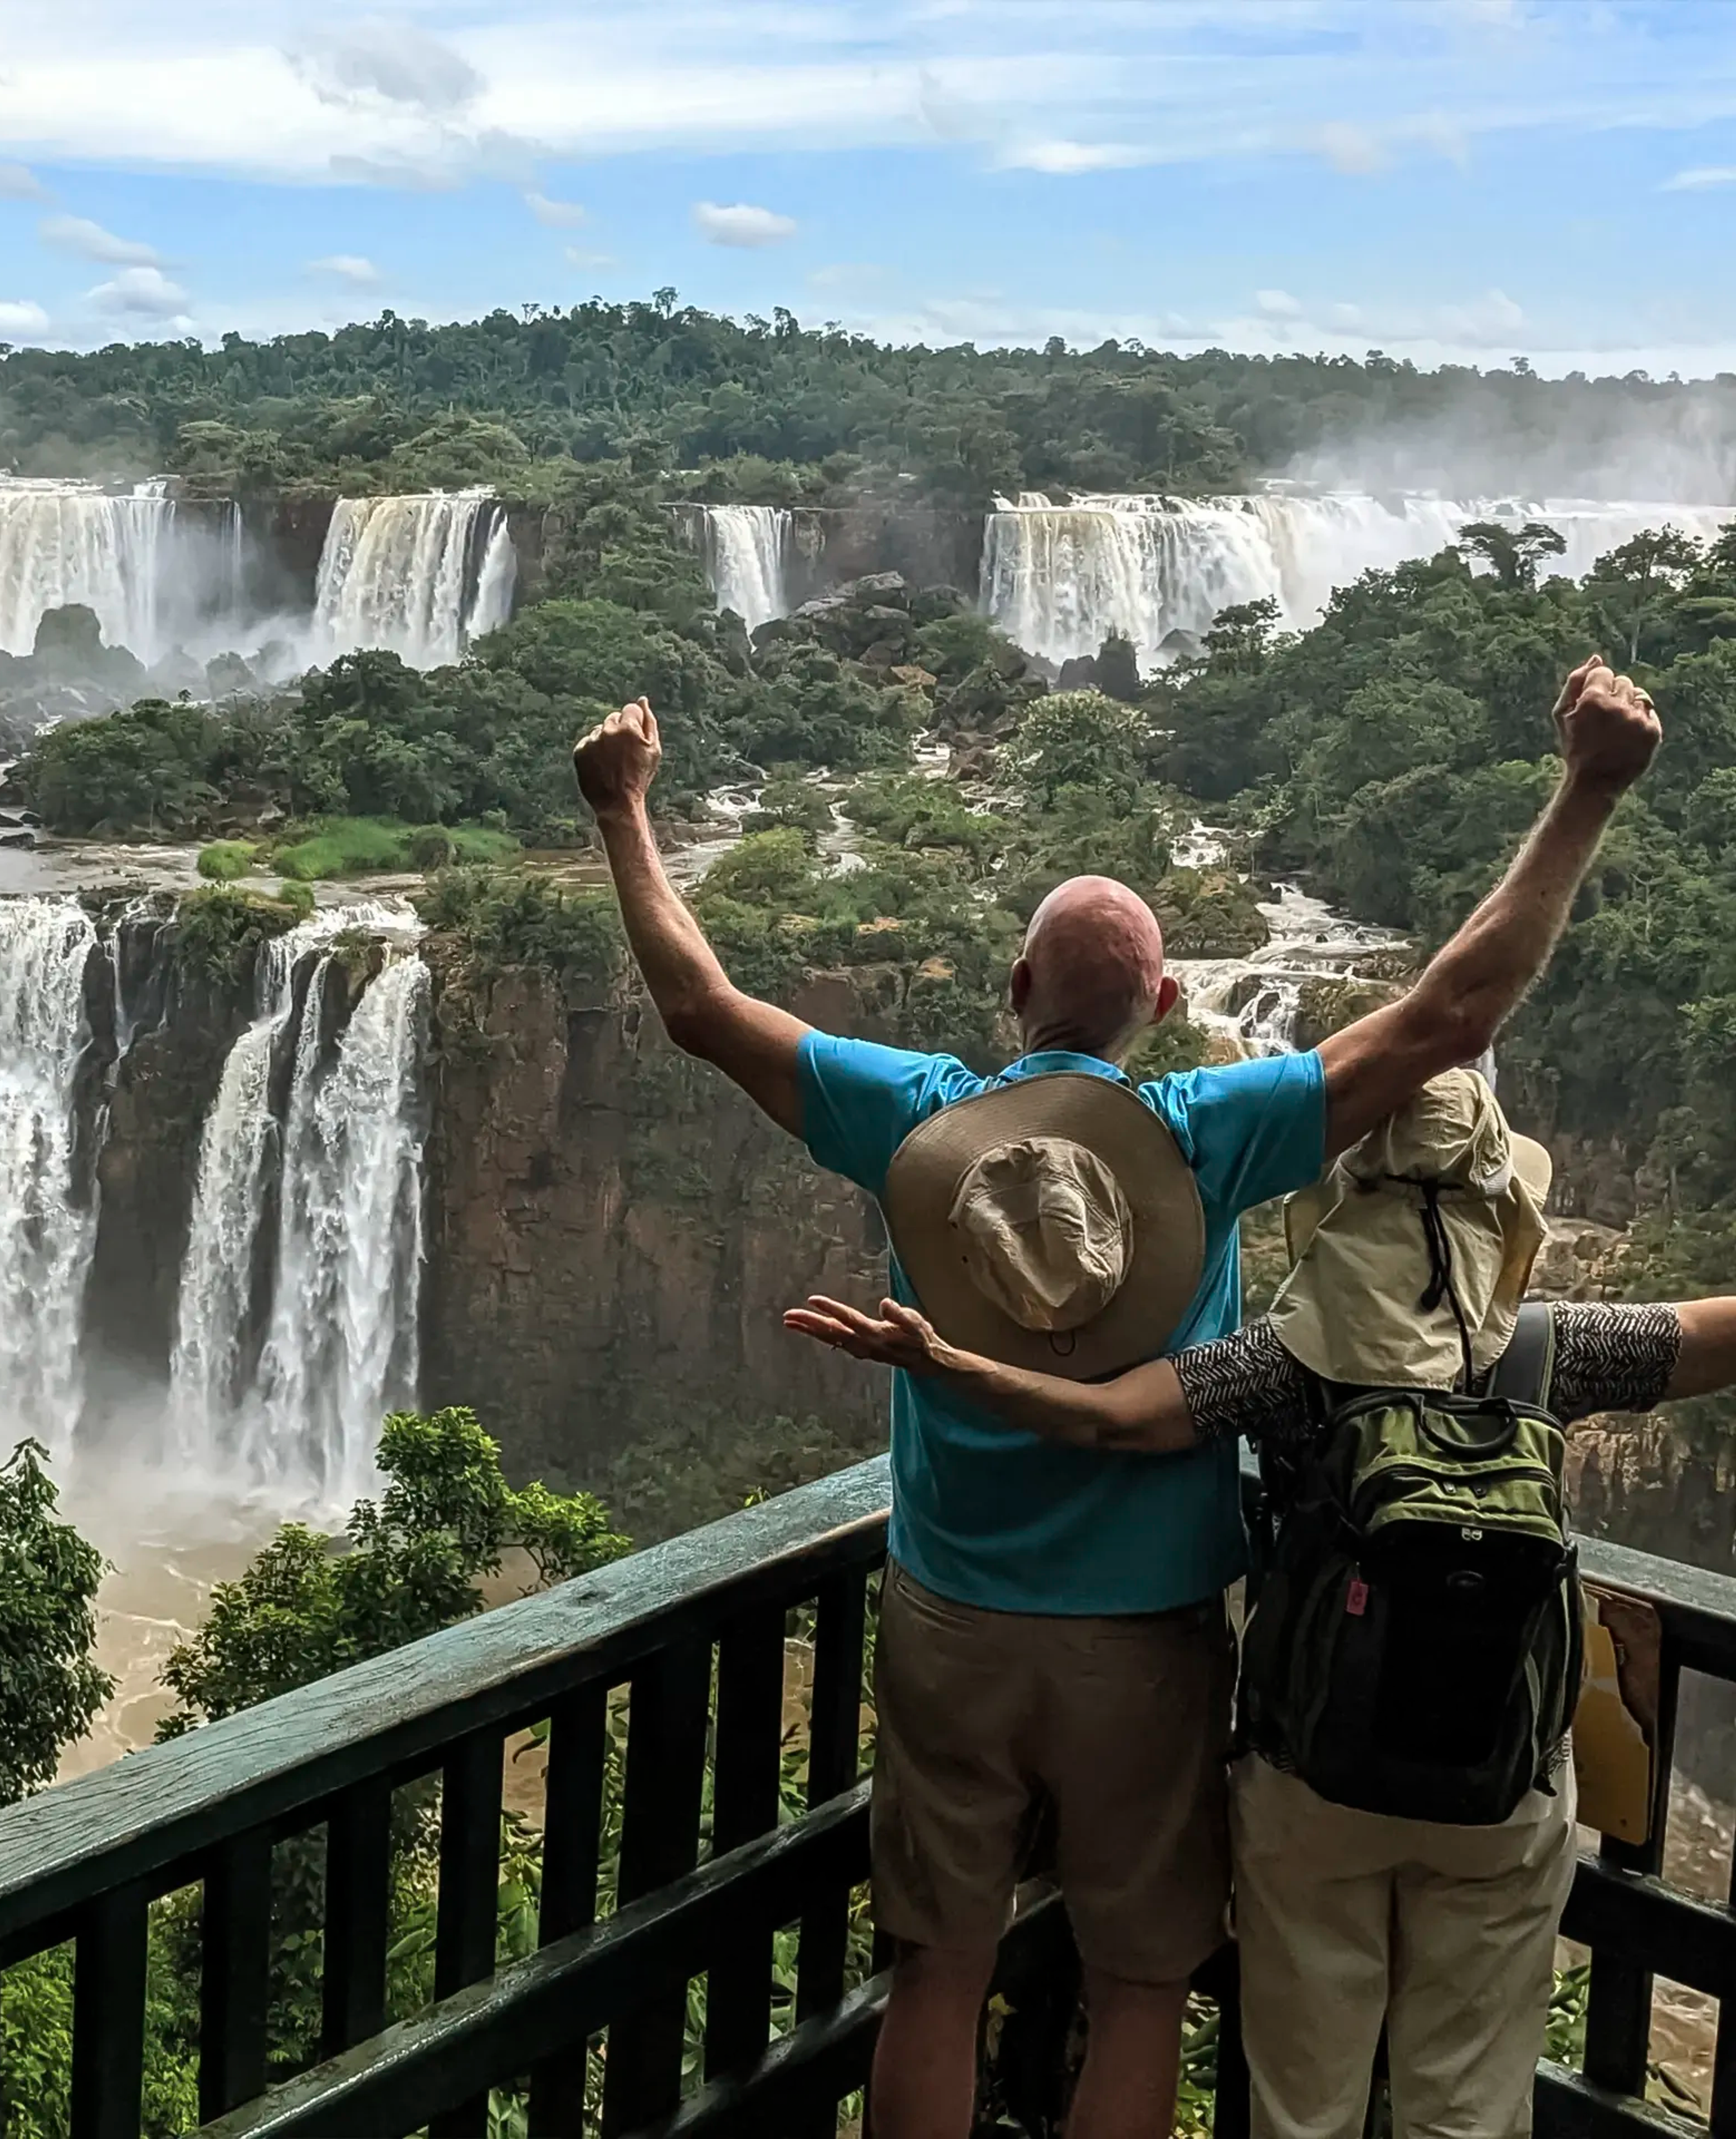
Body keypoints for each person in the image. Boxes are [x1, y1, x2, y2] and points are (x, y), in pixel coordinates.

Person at [570, 657, 1659, 2139]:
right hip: (1147, 1640)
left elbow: (700, 1005)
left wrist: (623, 808)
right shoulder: (1209, 1131)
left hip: (951, 1616)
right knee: (1144, 1983)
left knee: (938, 1969)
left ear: (1016, 991)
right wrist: (1587, 788)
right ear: (1161, 1001)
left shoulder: (915, 1117)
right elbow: (1448, 1015)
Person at [785, 1066, 1729, 2139]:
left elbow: (1107, 1418)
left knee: (1301, 2102)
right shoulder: (1551, 1350)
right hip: (1500, 1790)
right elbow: (1711, 1338)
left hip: (1309, 1778)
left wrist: (946, 1363)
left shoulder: (1288, 1361)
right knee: (1467, 2105)